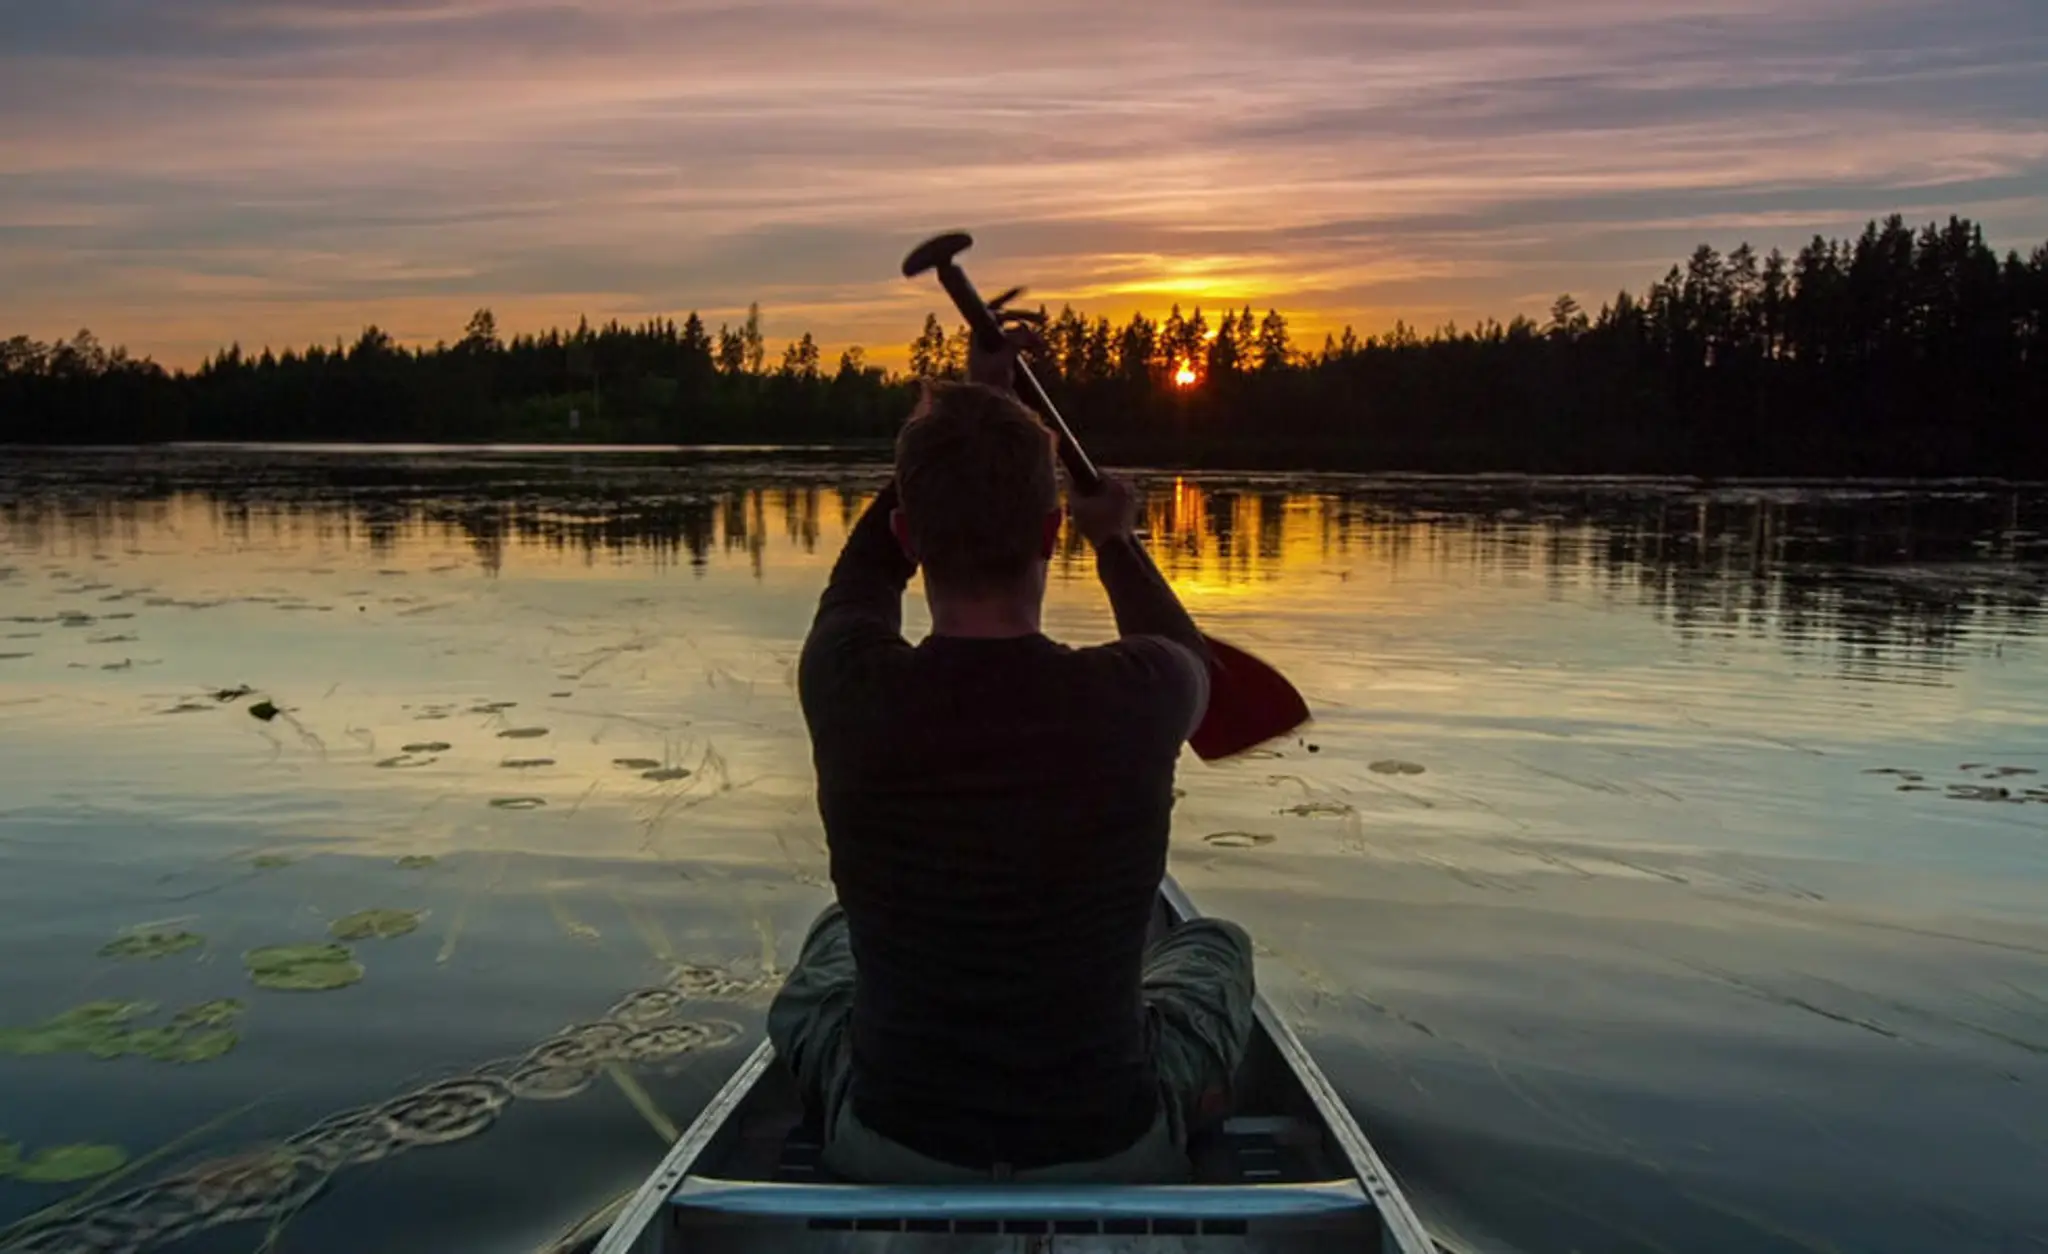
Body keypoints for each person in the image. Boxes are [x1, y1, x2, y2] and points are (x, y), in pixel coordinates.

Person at [766, 327, 1256, 1184]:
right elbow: (1189, 657)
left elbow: (863, 575)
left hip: (889, 1144)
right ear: (1052, 532)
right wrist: (1118, 538)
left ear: (913, 536)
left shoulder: (848, 682)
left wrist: (974, 412)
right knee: (1215, 949)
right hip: (1110, 1143)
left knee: (828, 946)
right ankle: (1194, 1122)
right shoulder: (1138, 692)